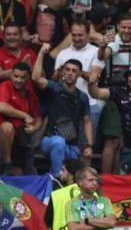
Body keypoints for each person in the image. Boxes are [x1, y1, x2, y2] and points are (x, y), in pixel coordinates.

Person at [32, 48, 93, 177]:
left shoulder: (82, 97)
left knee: (76, 162)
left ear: (79, 74)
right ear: (63, 71)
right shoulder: (54, 88)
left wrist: (89, 145)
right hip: (49, 140)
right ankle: (56, 179)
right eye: (67, 70)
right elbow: (36, 78)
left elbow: (87, 122)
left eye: (74, 71)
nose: (70, 73)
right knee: (59, 142)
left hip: (71, 143)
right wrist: (41, 53)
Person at [67, 166, 117, 230]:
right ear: (79, 182)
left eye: (95, 180)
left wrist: (87, 221)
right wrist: (100, 221)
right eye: (90, 180)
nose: (95, 183)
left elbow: (111, 223)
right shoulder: (72, 204)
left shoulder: (104, 200)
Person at [45, 157, 85, 230]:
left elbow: (47, 220)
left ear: (71, 175)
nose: (60, 173)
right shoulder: (91, 194)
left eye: (63, 170)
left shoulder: (56, 195)